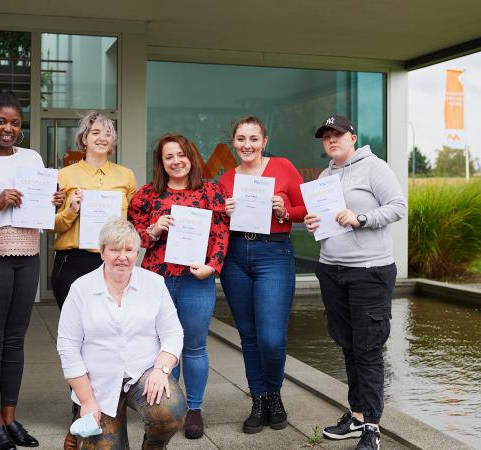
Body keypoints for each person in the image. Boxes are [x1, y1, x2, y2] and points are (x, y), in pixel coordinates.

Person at [0, 90, 65, 450]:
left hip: (27, 253)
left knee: (16, 339)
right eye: (1, 121)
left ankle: (10, 417)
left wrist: (53, 200)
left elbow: (43, 206)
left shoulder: (33, 158)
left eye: (15, 123)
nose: (8, 128)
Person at [304, 115, 406, 450]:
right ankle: (357, 415)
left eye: (337, 135)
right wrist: (313, 222)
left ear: (352, 137)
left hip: (369, 271)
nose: (332, 141)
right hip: (332, 269)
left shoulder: (374, 167)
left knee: (368, 349)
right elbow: (328, 222)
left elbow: (398, 207)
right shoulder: (325, 175)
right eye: (326, 137)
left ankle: (373, 427)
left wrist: (361, 218)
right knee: (347, 344)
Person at [128, 133, 229, 439]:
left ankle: (194, 409)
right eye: (168, 156)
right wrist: (154, 230)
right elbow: (134, 239)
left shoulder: (212, 192)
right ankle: (171, 405)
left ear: (192, 157)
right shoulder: (146, 195)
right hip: (156, 280)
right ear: (161, 162)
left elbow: (222, 236)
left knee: (195, 346)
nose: (176, 161)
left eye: (181, 154)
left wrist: (212, 267)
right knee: (163, 347)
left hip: (195, 280)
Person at [56, 218, 186, 449]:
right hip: (98, 382)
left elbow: (173, 332)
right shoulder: (81, 289)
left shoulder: (154, 284)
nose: (122, 256)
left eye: (129, 250)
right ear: (102, 252)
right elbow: (68, 347)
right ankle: (80, 418)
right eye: (115, 249)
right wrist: (86, 401)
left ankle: (154, 446)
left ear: (137, 252)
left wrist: (161, 370)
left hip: (143, 373)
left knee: (171, 410)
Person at [218, 116, 306, 434]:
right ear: (234, 142)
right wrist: (222, 213)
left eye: (254, 138)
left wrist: (285, 210)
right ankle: (258, 400)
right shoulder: (226, 179)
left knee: (271, 338)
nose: (247, 145)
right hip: (237, 257)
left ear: (264, 141)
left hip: (274, 253)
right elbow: (215, 225)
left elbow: (306, 208)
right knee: (249, 337)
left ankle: (274, 393)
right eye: (241, 138)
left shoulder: (282, 167)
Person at [52, 111, 136, 309]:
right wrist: (72, 210)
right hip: (73, 261)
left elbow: (133, 221)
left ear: (113, 140)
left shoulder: (127, 176)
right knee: (74, 328)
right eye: (95, 132)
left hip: (114, 260)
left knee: (110, 326)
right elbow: (50, 226)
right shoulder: (63, 176)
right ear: (84, 139)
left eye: (108, 133)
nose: (102, 138)